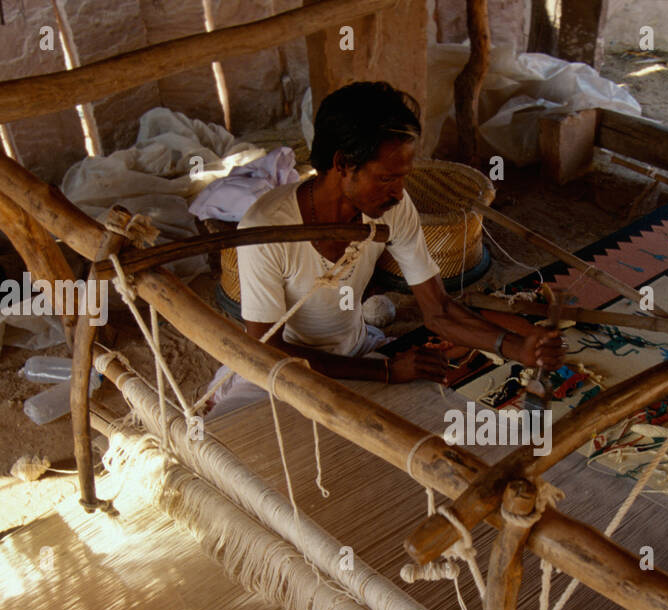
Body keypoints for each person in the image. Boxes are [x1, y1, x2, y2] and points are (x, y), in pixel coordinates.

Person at [206, 82, 563, 415]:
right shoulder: (266, 228)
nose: (398, 191)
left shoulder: (394, 207)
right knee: (234, 442)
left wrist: (514, 346)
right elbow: (268, 349)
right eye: (387, 178)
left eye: (403, 176)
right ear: (343, 164)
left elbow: (437, 310)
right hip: (285, 367)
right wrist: (388, 373)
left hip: (357, 351)